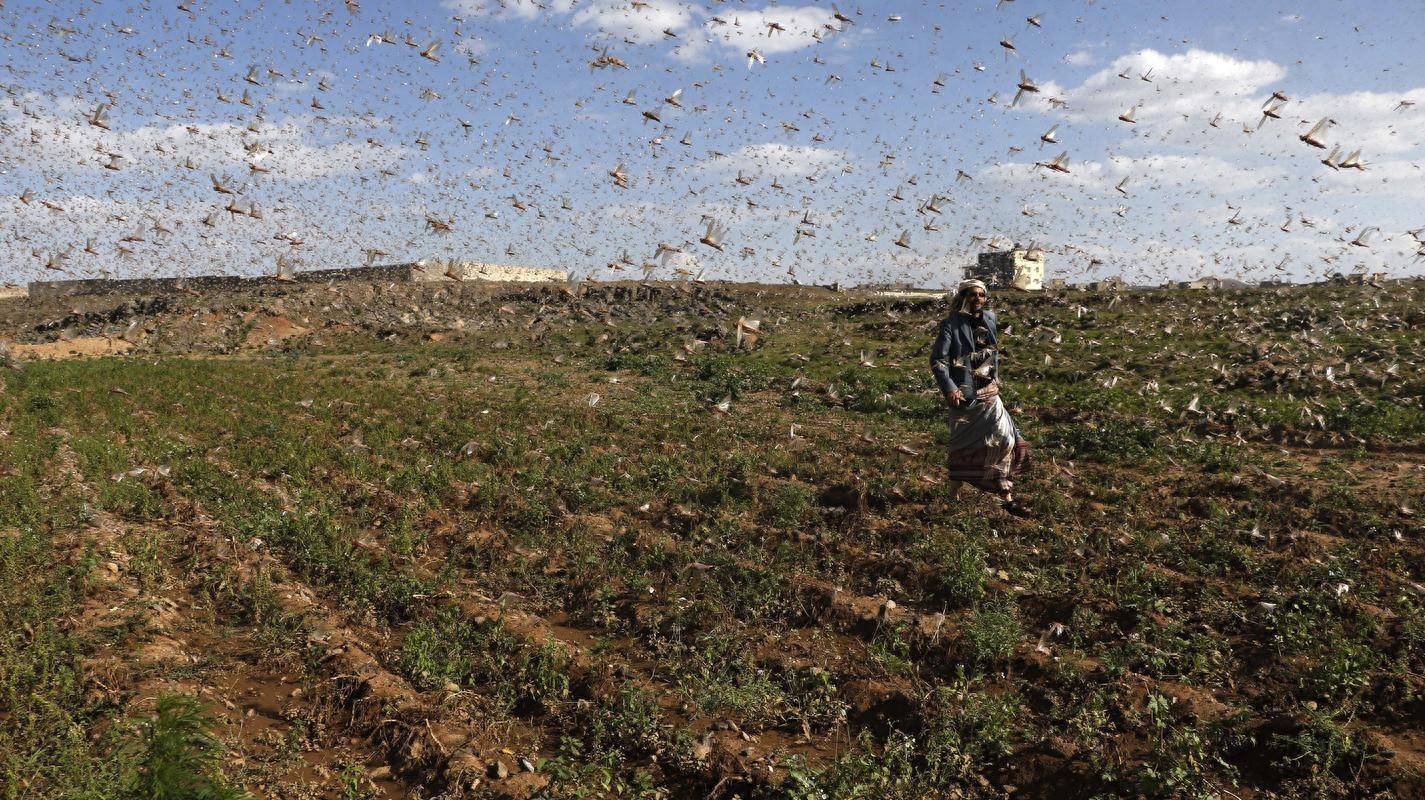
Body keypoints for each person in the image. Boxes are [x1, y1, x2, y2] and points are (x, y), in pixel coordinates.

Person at [929, 279, 1031, 515]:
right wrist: (950, 388)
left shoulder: (991, 319)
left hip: (990, 391)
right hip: (965, 395)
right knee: (963, 447)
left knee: (1006, 440)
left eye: (981, 295)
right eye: (972, 295)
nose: (977, 299)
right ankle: (953, 496)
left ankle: (1006, 496)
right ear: (963, 297)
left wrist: (995, 376)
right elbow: (938, 360)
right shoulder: (951, 325)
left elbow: (992, 351)